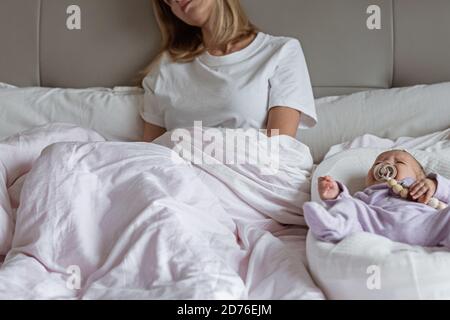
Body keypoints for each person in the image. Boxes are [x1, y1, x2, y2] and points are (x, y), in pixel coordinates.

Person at [140, 0, 317, 143]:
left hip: (248, 177)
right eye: (167, 1)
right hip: (177, 179)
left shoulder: (281, 51)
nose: (174, 1)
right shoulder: (166, 67)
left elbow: (280, 147)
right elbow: (150, 156)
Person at [303, 150, 450, 247]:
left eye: (399, 163)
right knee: (350, 207)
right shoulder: (365, 195)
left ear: (420, 177)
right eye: (378, 163)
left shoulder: (425, 189)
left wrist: (435, 184)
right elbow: (351, 207)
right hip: (376, 226)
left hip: (427, 225)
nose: (385, 165)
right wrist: (336, 194)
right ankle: (333, 226)